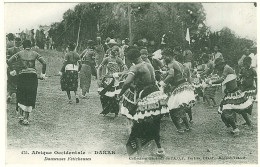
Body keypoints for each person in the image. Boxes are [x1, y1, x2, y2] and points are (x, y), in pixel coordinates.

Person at [118, 47, 168, 156]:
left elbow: (127, 83)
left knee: (138, 123)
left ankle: (138, 153)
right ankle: (160, 149)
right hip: (157, 94)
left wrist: (120, 94)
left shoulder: (136, 68)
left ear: (131, 59)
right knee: (156, 123)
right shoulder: (149, 64)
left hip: (146, 96)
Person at [209, 58, 254, 136]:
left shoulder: (226, 68)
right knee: (238, 109)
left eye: (218, 66)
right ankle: (247, 123)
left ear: (221, 64)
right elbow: (224, 82)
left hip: (234, 93)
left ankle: (236, 129)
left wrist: (211, 82)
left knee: (227, 110)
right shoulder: (224, 69)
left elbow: (221, 80)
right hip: (231, 93)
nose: (217, 68)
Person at [7, 40, 47, 125]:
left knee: (21, 94)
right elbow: (44, 63)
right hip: (32, 77)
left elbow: (9, 61)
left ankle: (21, 116)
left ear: (23, 46)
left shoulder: (20, 53)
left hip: (22, 76)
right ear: (31, 46)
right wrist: (43, 74)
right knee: (30, 95)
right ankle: (26, 119)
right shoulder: (35, 53)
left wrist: (12, 70)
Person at [159, 48, 196, 133]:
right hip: (185, 86)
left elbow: (171, 75)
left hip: (180, 87)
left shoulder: (172, 64)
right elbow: (186, 72)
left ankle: (180, 129)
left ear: (169, 56)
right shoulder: (179, 63)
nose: (164, 59)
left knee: (172, 109)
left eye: (164, 57)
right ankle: (187, 127)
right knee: (180, 108)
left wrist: (163, 83)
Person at [97, 45, 127, 117]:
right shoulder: (106, 59)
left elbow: (126, 69)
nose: (115, 53)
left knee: (115, 96)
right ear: (111, 51)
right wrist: (99, 78)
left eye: (117, 51)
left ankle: (115, 112)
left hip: (115, 80)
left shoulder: (119, 60)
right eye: (114, 51)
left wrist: (119, 75)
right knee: (104, 95)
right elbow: (99, 69)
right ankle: (105, 110)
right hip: (107, 79)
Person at [6, 37, 23, 103]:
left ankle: (9, 96)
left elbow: (7, 60)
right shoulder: (22, 51)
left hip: (11, 69)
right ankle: (16, 98)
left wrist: (10, 70)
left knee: (10, 83)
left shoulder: (9, 50)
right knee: (18, 83)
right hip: (17, 69)